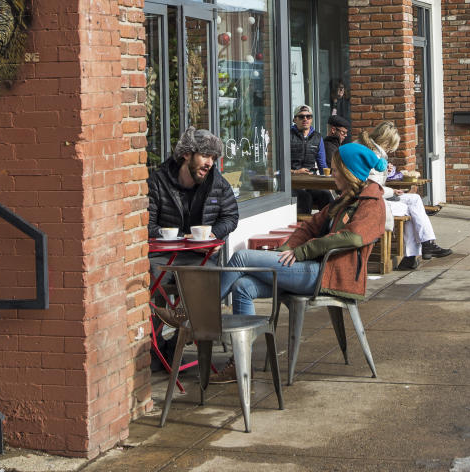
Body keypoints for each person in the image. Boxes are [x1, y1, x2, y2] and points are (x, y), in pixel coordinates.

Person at [220, 141, 388, 315]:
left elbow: (353, 237)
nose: (333, 175)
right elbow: (309, 226)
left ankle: (199, 314)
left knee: (241, 257)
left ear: (349, 172)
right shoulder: (345, 199)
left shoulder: (372, 203)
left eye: (336, 170)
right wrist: (286, 249)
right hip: (316, 268)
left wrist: (303, 251)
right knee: (242, 286)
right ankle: (243, 342)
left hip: (331, 275)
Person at [147, 127, 238, 367]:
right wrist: (181, 237)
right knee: (150, 278)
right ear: (187, 154)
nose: (210, 163)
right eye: (205, 156)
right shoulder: (158, 181)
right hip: (164, 257)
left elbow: (230, 217)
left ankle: (182, 337)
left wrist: (214, 235)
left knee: (204, 280)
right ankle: (156, 347)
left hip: (200, 256)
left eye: (213, 158)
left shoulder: (216, 182)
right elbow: (147, 224)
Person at [359, 121, 451, 270]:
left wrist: (386, 174)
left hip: (378, 195)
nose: (390, 150)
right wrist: (392, 191)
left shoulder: (375, 152)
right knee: (410, 209)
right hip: (373, 200)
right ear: (385, 141)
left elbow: (375, 181)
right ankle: (417, 251)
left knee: (414, 199)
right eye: (390, 147)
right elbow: (372, 187)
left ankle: (422, 247)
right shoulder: (374, 155)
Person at [290, 104, 333, 215]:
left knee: (326, 196)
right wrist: (295, 172)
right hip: (292, 182)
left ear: (312, 119)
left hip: (311, 182)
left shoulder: (317, 137)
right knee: (305, 198)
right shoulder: (287, 136)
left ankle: (329, 228)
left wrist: (327, 184)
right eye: (301, 117)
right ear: (295, 119)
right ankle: (304, 230)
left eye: (308, 116)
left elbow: (322, 164)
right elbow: (279, 166)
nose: (305, 119)